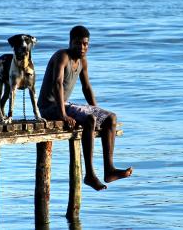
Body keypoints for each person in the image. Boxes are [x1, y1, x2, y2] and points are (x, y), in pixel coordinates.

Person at [38, 25, 132, 191]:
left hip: (65, 105)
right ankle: (89, 174)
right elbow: (57, 83)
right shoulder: (63, 56)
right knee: (89, 119)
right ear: (70, 42)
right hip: (49, 107)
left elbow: (86, 87)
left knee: (110, 118)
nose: (82, 47)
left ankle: (109, 170)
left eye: (85, 44)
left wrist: (96, 110)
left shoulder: (82, 61)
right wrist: (62, 114)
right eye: (78, 43)